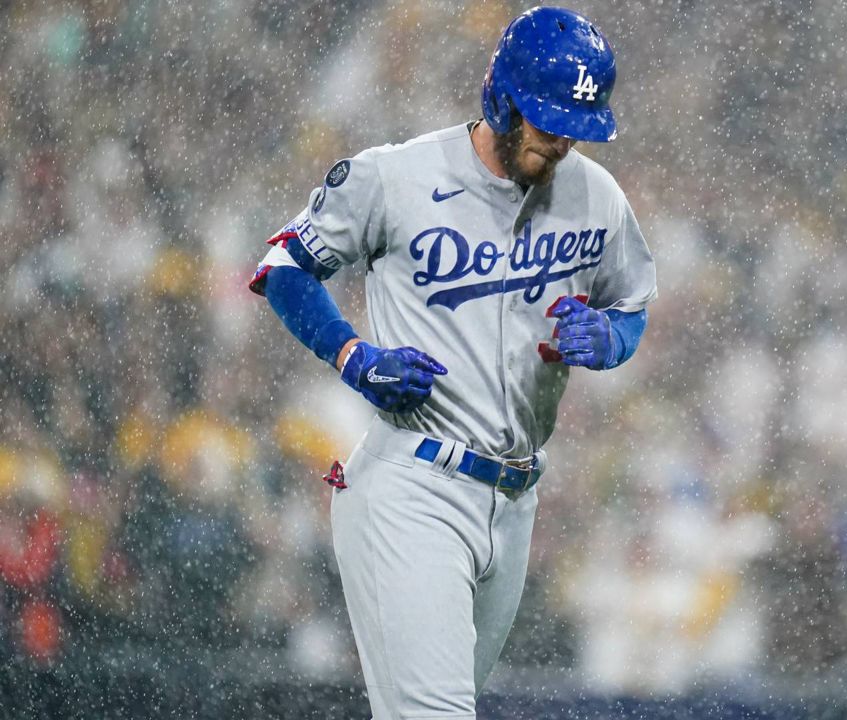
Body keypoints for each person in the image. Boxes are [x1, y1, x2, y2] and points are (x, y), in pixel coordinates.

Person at [248, 8, 657, 718]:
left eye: (574, 126)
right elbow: (284, 264)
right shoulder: (396, 177)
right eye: (546, 121)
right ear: (501, 97)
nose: (561, 141)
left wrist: (611, 338)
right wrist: (351, 355)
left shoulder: (597, 197)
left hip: (516, 499)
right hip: (414, 480)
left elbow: (631, 305)